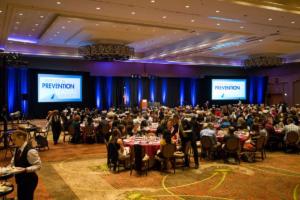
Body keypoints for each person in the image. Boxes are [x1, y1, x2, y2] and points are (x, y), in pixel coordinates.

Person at [10, 130, 41, 200]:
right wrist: (7, 168)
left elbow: (38, 165)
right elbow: (13, 161)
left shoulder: (30, 151)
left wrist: (26, 169)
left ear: (21, 138)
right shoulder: (18, 148)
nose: (13, 142)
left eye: (14, 139)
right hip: (20, 180)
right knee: (21, 197)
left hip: (29, 180)